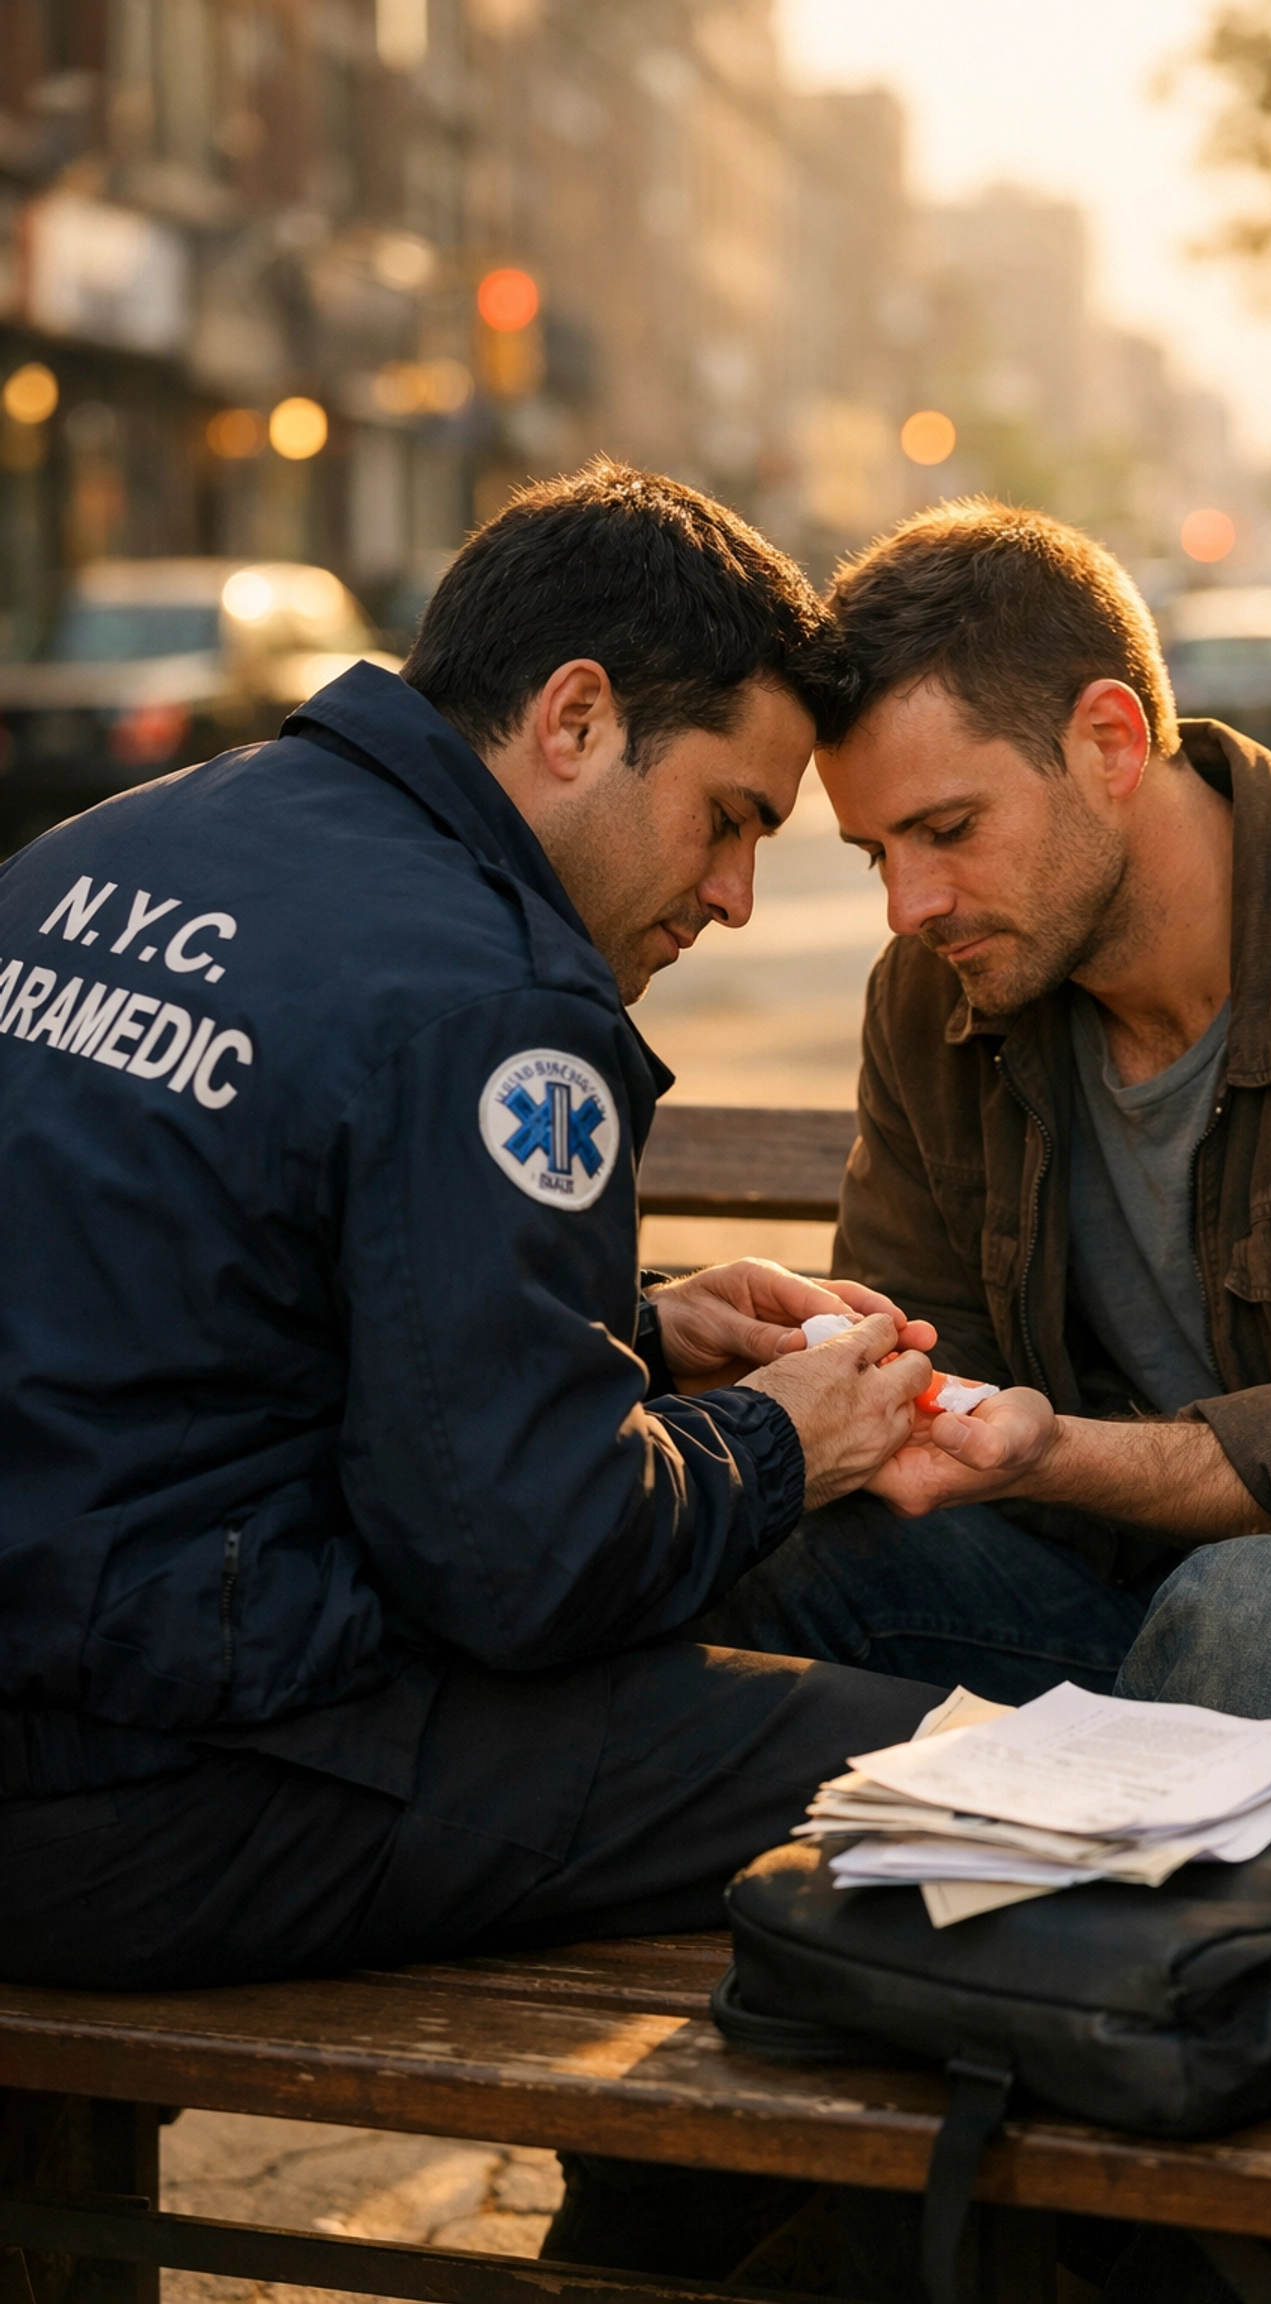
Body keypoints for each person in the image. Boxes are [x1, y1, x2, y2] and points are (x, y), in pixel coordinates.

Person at [0, 461, 945, 1994]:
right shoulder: (496, 991)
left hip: (101, 1675)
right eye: (727, 816)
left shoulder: (103, 851)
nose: (736, 896)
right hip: (150, 1792)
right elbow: (529, 1563)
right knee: (947, 1781)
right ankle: (690, 2233)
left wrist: (633, 1327)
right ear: (574, 720)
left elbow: (213, 1305)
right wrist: (784, 1440)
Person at [699, 498, 1271, 1763]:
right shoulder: (940, 988)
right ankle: (847, 1958)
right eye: (877, 852)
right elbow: (933, 1344)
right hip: (1114, 1605)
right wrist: (834, 1391)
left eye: (949, 829)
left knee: (1255, 1610)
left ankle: (1092, 1948)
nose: (910, 905)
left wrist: (1056, 1457)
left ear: (1109, 740)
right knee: (778, 1542)